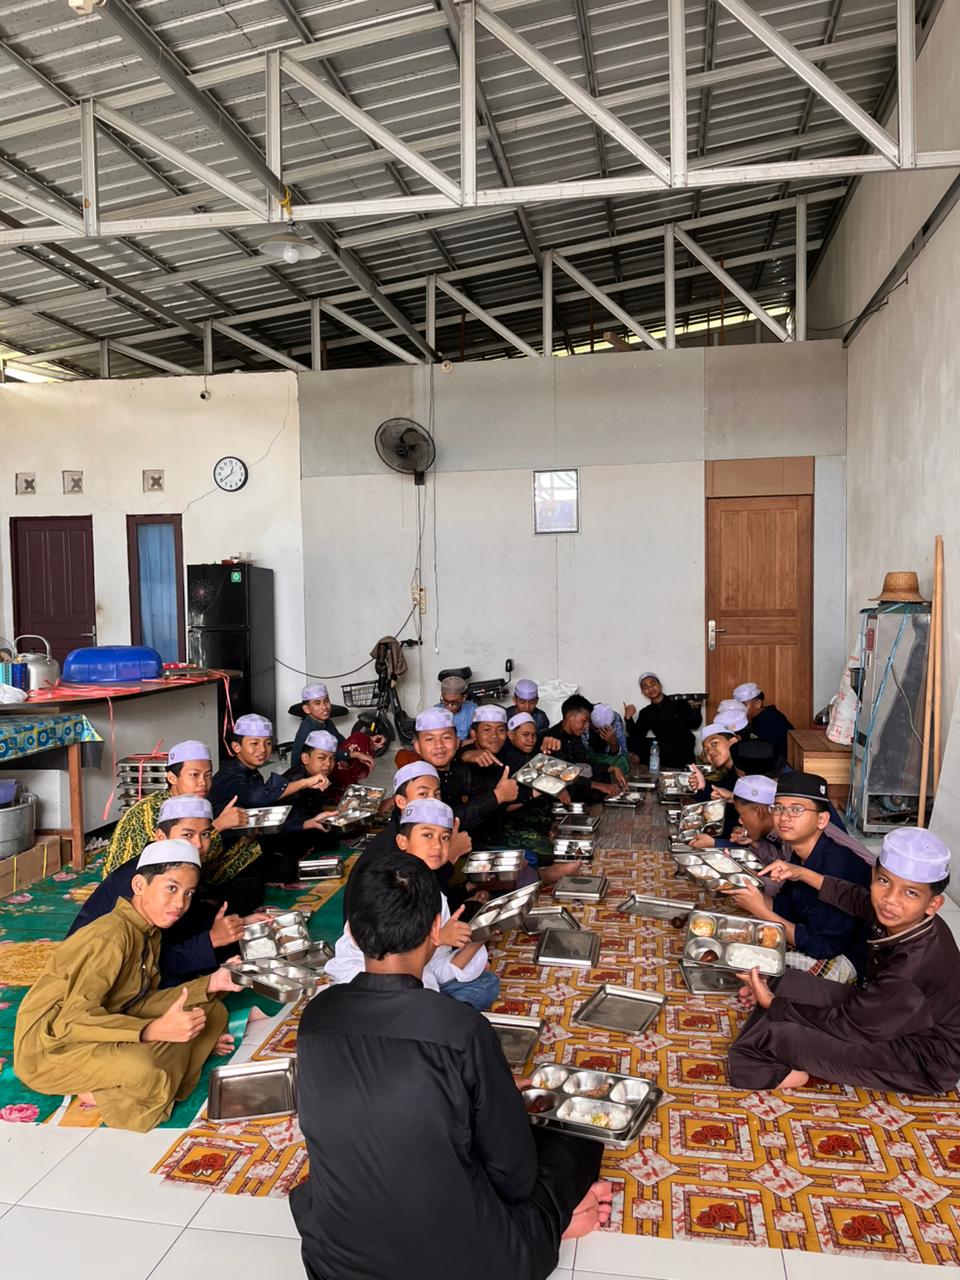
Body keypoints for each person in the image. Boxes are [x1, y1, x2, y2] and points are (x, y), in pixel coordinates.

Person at [292, 849, 611, 1280]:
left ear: (353, 930)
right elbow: (513, 1175)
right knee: (575, 1144)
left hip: (334, 1262)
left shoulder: (317, 1017)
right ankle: (560, 1222)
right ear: (433, 928)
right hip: (469, 1264)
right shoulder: (458, 1025)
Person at [14, 840, 239, 1132]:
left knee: (212, 1010)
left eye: (188, 893)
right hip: (51, 1046)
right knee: (146, 1069)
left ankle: (171, 1055)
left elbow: (135, 1001)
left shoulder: (146, 931)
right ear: (139, 885)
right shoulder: (110, 936)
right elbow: (71, 1020)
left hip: (105, 1018)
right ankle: (98, 1091)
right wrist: (151, 1031)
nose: (180, 903)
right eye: (171, 888)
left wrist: (211, 982)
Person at [729, 828, 960, 1095]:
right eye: (884, 882)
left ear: (933, 904)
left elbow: (853, 1025)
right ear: (873, 876)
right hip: (888, 1015)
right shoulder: (897, 913)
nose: (890, 900)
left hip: (922, 1056)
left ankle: (780, 1068)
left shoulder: (915, 964)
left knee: (778, 1033)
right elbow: (853, 897)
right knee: (787, 981)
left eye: (910, 893)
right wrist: (801, 872)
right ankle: (774, 1027)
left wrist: (773, 1004)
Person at [326, 799, 499, 1011]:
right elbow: (387, 963)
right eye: (427, 835)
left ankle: (442, 1014)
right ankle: (441, 1016)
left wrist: (476, 941)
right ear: (402, 842)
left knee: (487, 984)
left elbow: (436, 972)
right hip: (367, 983)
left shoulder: (436, 895)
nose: (437, 845)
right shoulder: (385, 885)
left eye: (445, 837)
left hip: (418, 982)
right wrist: (437, 940)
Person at [69, 798, 266, 984]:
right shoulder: (141, 883)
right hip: (108, 969)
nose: (199, 844)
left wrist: (239, 924)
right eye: (187, 835)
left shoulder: (177, 867)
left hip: (149, 952)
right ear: (161, 837)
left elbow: (184, 919)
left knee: (234, 932)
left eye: (205, 834)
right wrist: (211, 939)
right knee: (190, 981)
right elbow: (149, 961)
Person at [720, 773, 871, 981]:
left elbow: (821, 945)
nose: (784, 817)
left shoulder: (840, 864)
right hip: (813, 940)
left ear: (822, 820)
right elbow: (785, 908)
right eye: (779, 808)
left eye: (796, 809)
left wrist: (760, 910)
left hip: (844, 958)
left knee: (753, 963)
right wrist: (749, 892)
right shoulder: (797, 856)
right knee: (735, 942)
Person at [102, 739, 258, 883]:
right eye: (194, 775)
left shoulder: (198, 805)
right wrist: (218, 826)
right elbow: (179, 860)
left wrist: (245, 838)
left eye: (208, 775)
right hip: (135, 888)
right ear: (172, 778)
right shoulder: (153, 809)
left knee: (251, 878)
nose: (203, 783)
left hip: (176, 879)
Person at [343, 761, 473, 922]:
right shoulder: (392, 847)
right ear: (401, 801)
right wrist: (450, 857)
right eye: (423, 794)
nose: (433, 801)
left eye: (437, 794)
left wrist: (463, 891)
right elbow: (419, 902)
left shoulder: (407, 828)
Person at [291, 683, 380, 786]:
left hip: (325, 759)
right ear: (307, 709)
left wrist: (369, 740)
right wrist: (354, 754)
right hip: (307, 774)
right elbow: (321, 757)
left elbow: (342, 742)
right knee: (338, 763)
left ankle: (350, 778)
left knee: (360, 738)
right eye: (317, 703)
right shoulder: (308, 729)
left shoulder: (326, 722)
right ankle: (339, 789)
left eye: (326, 701)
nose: (324, 707)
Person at [544, 695, 626, 799]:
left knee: (603, 775)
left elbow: (584, 763)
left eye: (588, 721)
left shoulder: (575, 736)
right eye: (584, 720)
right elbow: (562, 773)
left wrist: (613, 768)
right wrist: (599, 786)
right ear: (570, 717)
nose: (587, 726)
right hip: (560, 790)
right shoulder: (550, 739)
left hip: (579, 782)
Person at [279, 729, 343, 855]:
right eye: (322, 758)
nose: (328, 764)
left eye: (332, 758)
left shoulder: (316, 775)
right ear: (305, 758)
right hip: (286, 832)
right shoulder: (295, 781)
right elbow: (289, 823)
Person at [624, 672, 700, 767]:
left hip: (683, 747)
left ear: (660, 685)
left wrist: (697, 708)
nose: (650, 689)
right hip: (663, 748)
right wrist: (628, 718)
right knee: (628, 741)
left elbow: (695, 724)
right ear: (643, 691)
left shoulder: (679, 702)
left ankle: (647, 761)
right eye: (646, 687)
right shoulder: (646, 712)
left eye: (653, 684)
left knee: (680, 745)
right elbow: (637, 734)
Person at [733, 681, 794, 758]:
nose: (738, 708)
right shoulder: (757, 717)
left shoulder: (770, 719)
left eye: (743, 704)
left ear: (758, 703)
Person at [584, 703, 629, 775]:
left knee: (622, 763)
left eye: (604, 729)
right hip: (587, 760)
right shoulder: (583, 720)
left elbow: (622, 752)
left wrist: (613, 744)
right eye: (596, 729)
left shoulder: (615, 718)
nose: (599, 731)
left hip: (608, 759)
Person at [436, 674, 479, 743]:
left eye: (454, 702)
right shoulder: (435, 712)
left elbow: (478, 738)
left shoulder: (473, 711)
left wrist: (460, 744)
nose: (449, 706)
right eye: (445, 701)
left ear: (464, 698)